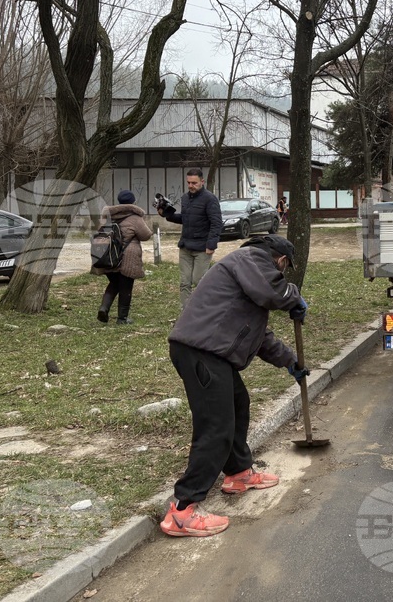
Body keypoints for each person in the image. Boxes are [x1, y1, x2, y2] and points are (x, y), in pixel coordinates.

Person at [160, 234, 310, 538]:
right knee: (216, 426)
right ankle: (182, 510)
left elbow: (260, 337)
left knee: (238, 404)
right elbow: (273, 291)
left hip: (211, 353)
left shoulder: (246, 279)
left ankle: (238, 473)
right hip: (201, 351)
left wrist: (290, 362)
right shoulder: (250, 259)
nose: (281, 273)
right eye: (283, 268)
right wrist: (292, 296)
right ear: (279, 259)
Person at [158, 168, 223, 308]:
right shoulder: (185, 198)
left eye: (194, 183)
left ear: (202, 182)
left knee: (198, 281)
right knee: (184, 282)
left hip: (202, 248)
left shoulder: (210, 199)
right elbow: (185, 218)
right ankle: (186, 313)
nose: (190, 186)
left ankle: (204, 309)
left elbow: (216, 223)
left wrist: (211, 244)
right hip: (185, 246)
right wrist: (167, 214)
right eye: (188, 183)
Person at [92, 190, 153, 324]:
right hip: (128, 257)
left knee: (114, 283)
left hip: (109, 256)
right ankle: (122, 318)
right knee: (126, 287)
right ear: (133, 202)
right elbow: (146, 235)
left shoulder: (107, 216)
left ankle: (104, 308)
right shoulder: (135, 218)